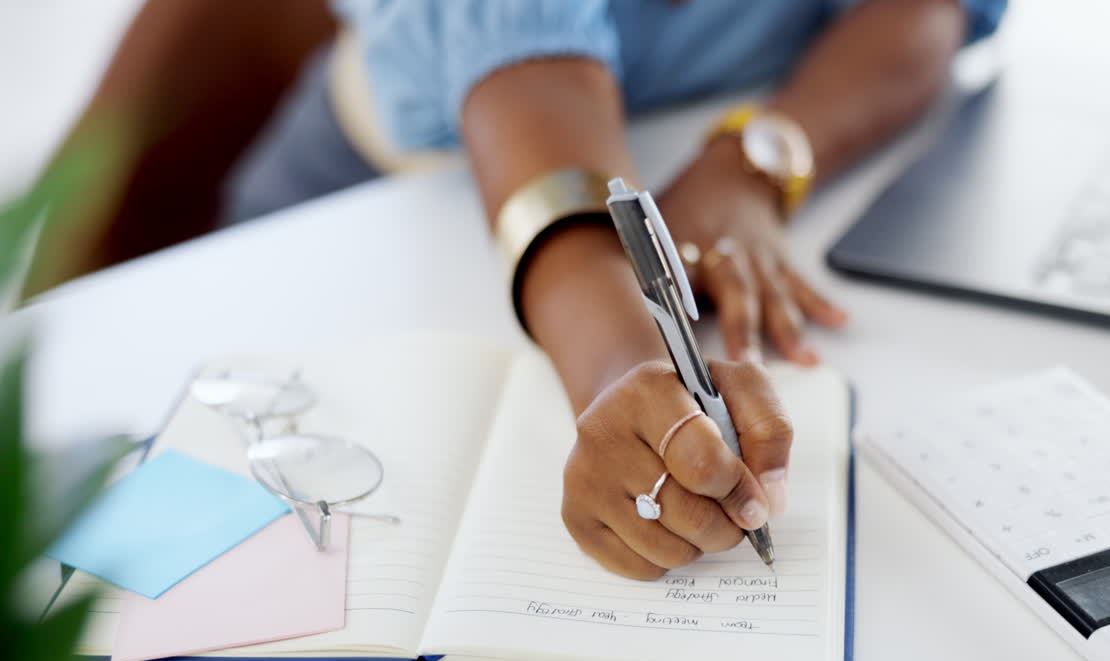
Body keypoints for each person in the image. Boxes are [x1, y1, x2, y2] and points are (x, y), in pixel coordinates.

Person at [29, 0, 1005, 579]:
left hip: (665, 167)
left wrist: (751, 165)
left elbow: (928, 9)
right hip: (375, 231)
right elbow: (534, 88)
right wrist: (624, 376)